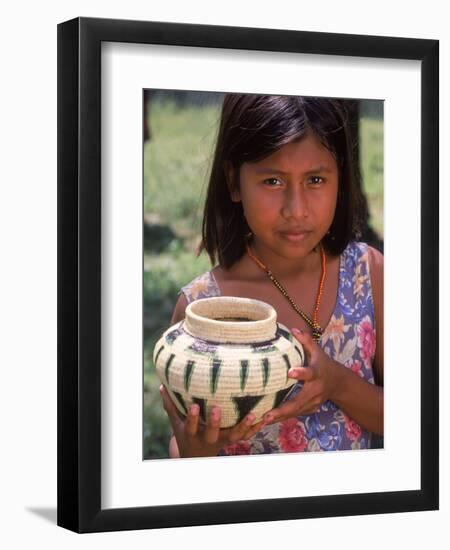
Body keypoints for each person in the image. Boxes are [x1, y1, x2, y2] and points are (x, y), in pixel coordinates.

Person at [159, 93, 384, 458]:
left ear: (340, 177)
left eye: (315, 179)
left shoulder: (368, 275)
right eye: (273, 182)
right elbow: (186, 447)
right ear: (234, 182)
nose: (296, 210)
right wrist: (192, 449)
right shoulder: (204, 308)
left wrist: (337, 383)